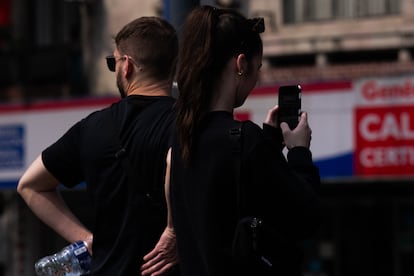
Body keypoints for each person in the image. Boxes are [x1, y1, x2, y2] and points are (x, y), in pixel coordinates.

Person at [166, 5, 321, 276]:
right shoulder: (245, 140)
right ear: (240, 64)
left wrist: (269, 143)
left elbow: (231, 199)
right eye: (257, 67)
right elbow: (305, 217)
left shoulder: (183, 137)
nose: (257, 78)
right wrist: (298, 152)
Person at [17, 16, 179, 276]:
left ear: (127, 66)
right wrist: (174, 231)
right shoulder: (189, 123)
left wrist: (86, 239)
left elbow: (29, 185)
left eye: (112, 62)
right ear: (173, 67)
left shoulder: (94, 127)